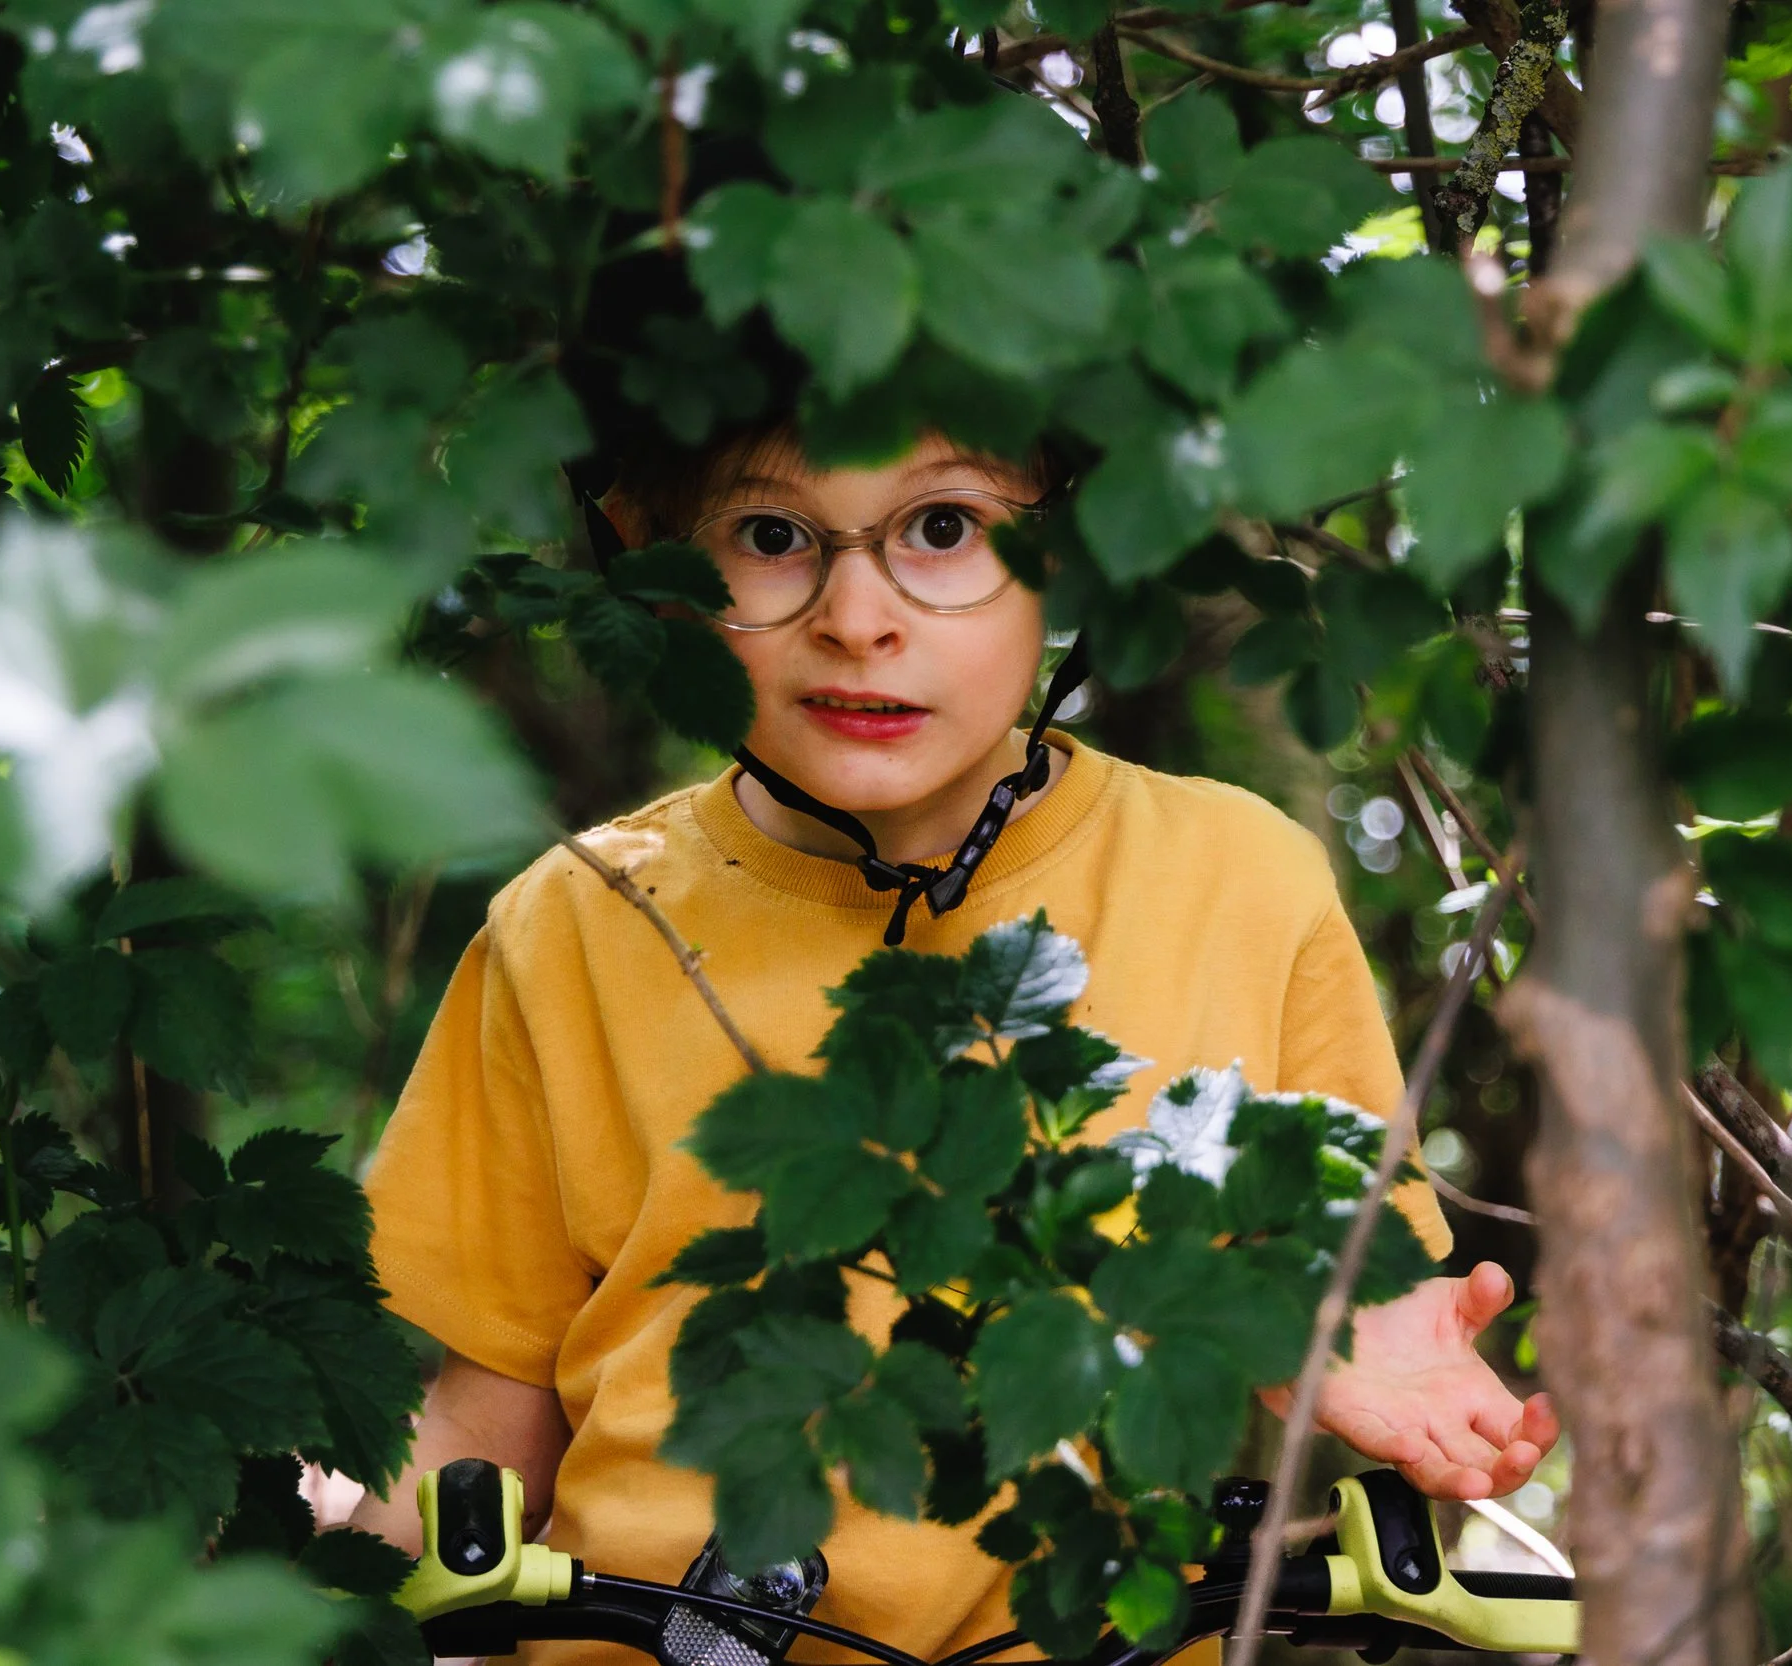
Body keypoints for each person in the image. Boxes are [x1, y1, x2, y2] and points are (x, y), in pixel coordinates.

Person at [346, 411, 1562, 1664]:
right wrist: (307, 1569)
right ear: (647, 556)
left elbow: (1351, 1288)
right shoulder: (578, 925)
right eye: (771, 535)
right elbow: (481, 1439)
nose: (858, 619)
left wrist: (1345, 1335)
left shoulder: (1239, 883)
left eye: (944, 527)